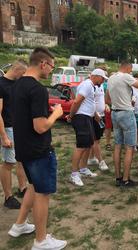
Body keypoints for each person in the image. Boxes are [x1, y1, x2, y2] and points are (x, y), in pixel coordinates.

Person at [8, 47, 66, 249]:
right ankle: (41, 241)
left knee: (33, 186)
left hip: (23, 148)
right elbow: (40, 127)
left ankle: (19, 225)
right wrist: (56, 114)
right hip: (39, 150)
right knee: (42, 194)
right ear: (43, 64)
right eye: (52, 65)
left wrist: (44, 112)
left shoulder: (17, 85)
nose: (51, 70)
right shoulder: (38, 89)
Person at [106, 61, 138, 188]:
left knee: (118, 145)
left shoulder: (111, 78)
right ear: (128, 67)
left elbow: (107, 99)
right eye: (131, 69)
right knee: (130, 147)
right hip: (126, 113)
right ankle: (126, 180)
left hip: (115, 113)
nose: (131, 71)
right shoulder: (126, 77)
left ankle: (118, 177)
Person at [67, 69, 107, 187]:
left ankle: (83, 169)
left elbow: (89, 103)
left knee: (89, 144)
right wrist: (71, 115)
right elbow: (77, 101)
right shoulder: (87, 85)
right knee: (81, 146)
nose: (103, 80)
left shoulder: (91, 86)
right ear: (95, 76)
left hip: (88, 117)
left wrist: (96, 116)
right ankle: (74, 174)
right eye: (102, 78)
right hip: (82, 117)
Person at [0, 60, 28, 209]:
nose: (23, 77)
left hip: (19, 128)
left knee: (21, 159)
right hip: (8, 128)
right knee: (8, 163)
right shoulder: (1, 84)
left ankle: (22, 187)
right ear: (17, 70)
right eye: (23, 74)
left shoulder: (16, 84)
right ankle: (8, 196)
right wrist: (4, 136)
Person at [87, 78, 109, 171]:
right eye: (103, 78)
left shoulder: (101, 86)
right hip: (94, 116)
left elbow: (101, 99)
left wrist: (106, 105)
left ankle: (91, 158)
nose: (104, 80)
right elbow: (89, 102)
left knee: (97, 139)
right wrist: (95, 113)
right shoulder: (91, 87)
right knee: (95, 140)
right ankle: (101, 161)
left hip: (101, 115)